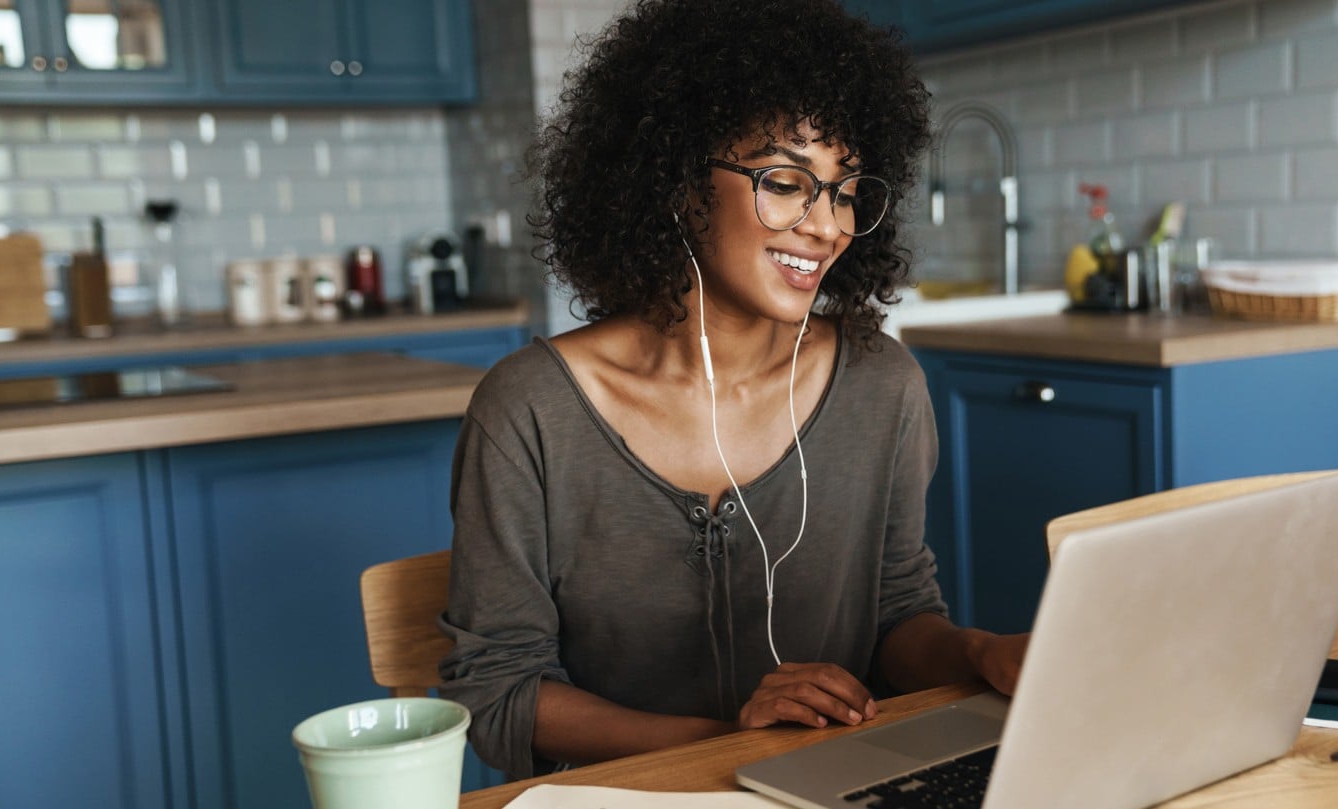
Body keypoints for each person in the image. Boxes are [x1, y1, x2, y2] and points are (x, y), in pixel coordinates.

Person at [437, 0, 1030, 780]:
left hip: (829, 787)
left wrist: (980, 651)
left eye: (846, 190)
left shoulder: (882, 386)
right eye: (786, 182)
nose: (827, 227)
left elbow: (897, 617)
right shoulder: (530, 409)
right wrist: (728, 741)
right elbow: (498, 692)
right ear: (679, 179)